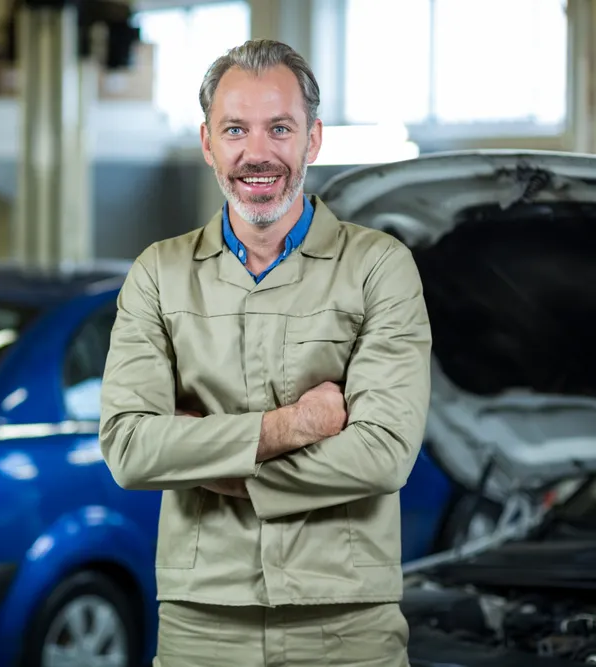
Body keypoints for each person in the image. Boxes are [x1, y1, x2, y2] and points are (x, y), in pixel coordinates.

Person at [98, 38, 432, 667]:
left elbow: (383, 455)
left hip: (348, 624)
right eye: (235, 130)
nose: (258, 154)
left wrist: (206, 462)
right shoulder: (160, 274)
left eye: (280, 128)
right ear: (207, 143)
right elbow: (130, 449)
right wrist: (292, 427)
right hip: (202, 624)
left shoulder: (378, 268)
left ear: (313, 139)